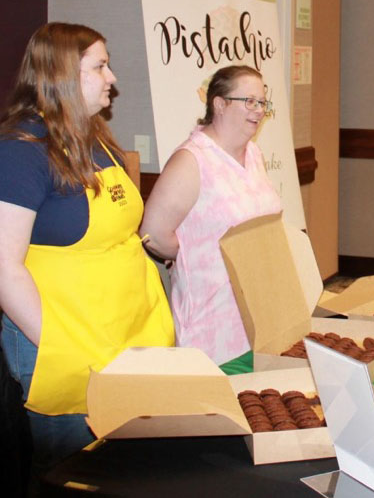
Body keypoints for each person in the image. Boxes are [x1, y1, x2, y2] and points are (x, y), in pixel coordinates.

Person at [0, 23, 174, 481]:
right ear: (60, 75)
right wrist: (67, 350)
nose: (112, 77)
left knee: (125, 472)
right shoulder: (22, 152)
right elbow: (3, 269)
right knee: (76, 474)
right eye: (99, 66)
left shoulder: (91, 137)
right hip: (65, 347)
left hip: (118, 336)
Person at [141, 65, 281, 369]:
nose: (259, 111)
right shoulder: (192, 160)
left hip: (261, 314)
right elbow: (152, 232)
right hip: (214, 325)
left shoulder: (253, 155)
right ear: (219, 104)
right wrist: (192, 253)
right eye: (250, 101)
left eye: (263, 103)